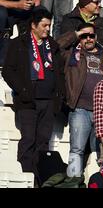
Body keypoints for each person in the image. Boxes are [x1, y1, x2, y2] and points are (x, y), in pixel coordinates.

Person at [2, 9, 65, 175]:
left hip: (48, 100)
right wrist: (22, 90)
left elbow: (59, 72)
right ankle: (25, 177)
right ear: (33, 25)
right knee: (28, 139)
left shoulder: (53, 45)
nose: (47, 29)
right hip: (28, 101)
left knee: (43, 142)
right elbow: (8, 71)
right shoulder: (19, 43)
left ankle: (40, 178)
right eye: (44, 25)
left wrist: (59, 94)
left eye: (49, 26)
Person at [57, 22, 103, 178]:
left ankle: (98, 182)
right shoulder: (72, 54)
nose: (88, 39)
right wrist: (74, 34)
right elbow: (56, 47)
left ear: (96, 37)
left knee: (101, 151)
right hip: (79, 109)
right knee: (77, 149)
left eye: (91, 35)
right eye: (84, 36)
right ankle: (73, 181)